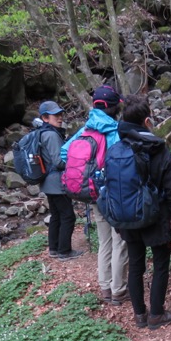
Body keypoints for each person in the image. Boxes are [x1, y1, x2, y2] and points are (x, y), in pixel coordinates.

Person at [117, 94, 171, 330]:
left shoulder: (117, 149)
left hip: (127, 218)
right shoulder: (159, 149)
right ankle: (156, 314)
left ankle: (139, 315)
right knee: (160, 263)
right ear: (147, 121)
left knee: (136, 265)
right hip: (157, 217)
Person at [61, 86, 128, 304]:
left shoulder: (85, 130)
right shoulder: (115, 131)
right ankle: (119, 290)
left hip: (93, 194)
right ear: (114, 107)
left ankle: (105, 288)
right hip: (114, 194)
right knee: (120, 241)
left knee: (104, 241)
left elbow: (64, 153)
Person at [39, 100, 83, 261]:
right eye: (55, 115)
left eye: (60, 114)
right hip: (56, 183)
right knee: (68, 216)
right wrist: (76, 162)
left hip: (48, 183)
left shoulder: (44, 132)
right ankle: (64, 251)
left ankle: (54, 248)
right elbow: (59, 162)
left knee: (56, 215)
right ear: (45, 118)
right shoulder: (51, 135)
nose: (60, 118)